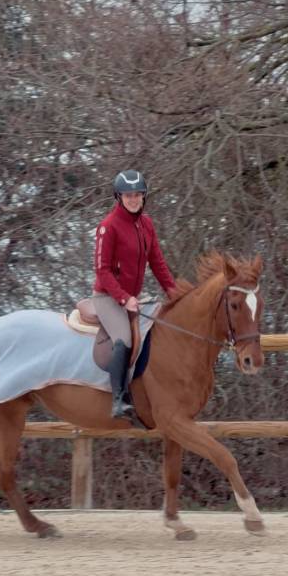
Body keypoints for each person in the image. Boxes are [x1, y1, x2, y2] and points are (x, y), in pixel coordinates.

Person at [93, 169, 176, 419]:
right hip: (108, 297)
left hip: (132, 298)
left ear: (144, 196)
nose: (133, 199)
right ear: (118, 197)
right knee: (125, 339)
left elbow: (157, 262)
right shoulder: (108, 227)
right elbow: (102, 270)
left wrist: (174, 292)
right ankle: (118, 399)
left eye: (137, 194)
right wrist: (123, 298)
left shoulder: (146, 224)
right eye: (128, 195)